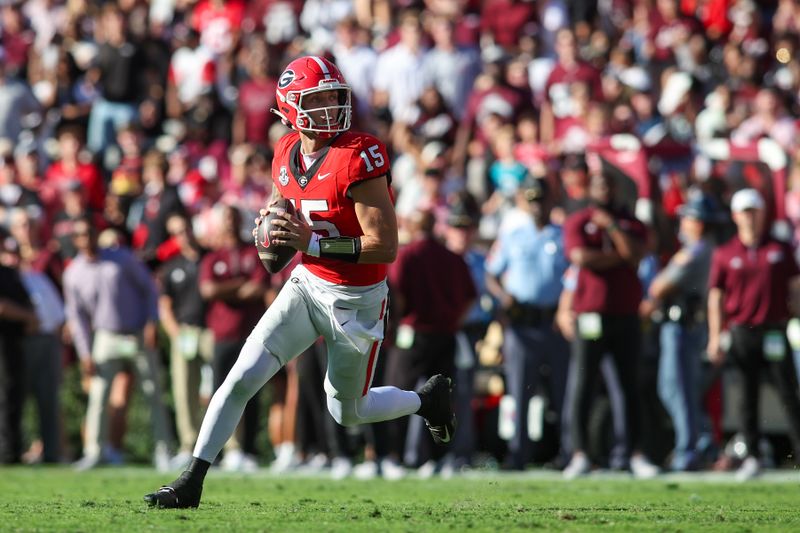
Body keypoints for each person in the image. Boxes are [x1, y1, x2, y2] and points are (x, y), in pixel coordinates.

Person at [145, 56, 456, 508]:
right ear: (289, 107)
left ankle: (425, 402)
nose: (330, 107)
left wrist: (310, 243)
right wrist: (270, 228)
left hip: (357, 299)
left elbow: (385, 247)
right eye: (318, 99)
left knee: (348, 411)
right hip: (307, 286)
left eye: (334, 96)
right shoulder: (286, 150)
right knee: (239, 379)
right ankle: (190, 481)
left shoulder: (360, 154)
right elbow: (282, 211)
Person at [561, 172, 659, 479]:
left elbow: (637, 254)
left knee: (629, 386)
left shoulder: (630, 223)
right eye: (599, 184)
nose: (604, 189)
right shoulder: (578, 221)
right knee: (583, 385)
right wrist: (619, 256)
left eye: (608, 185)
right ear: (590, 188)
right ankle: (579, 452)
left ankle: (634, 452)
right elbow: (581, 257)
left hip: (625, 315)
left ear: (616, 189)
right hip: (590, 315)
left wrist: (613, 229)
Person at [64, 215, 173, 471]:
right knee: (99, 397)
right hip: (105, 336)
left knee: (153, 394)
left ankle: (163, 451)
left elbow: (148, 288)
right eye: (80, 234)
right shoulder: (73, 273)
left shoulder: (122, 258)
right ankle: (95, 451)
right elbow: (76, 318)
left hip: (136, 332)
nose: (86, 238)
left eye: (90, 232)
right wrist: (85, 354)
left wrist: (151, 323)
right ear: (75, 240)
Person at [707, 188, 800, 481]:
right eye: (744, 212)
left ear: (761, 214)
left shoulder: (779, 249)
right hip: (741, 331)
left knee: (788, 393)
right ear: (735, 216)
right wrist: (714, 336)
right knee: (746, 396)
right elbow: (716, 297)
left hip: (774, 330)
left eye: (753, 211)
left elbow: (795, 288)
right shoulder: (725, 253)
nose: (749, 217)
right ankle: (753, 457)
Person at [485, 177, 569, 470]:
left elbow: (576, 274)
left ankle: (568, 452)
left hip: (555, 321)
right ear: (524, 201)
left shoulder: (563, 235)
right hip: (522, 323)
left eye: (541, 200)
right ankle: (517, 453)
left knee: (563, 391)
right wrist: (504, 298)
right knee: (519, 390)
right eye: (531, 200)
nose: (536, 207)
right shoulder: (514, 235)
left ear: (550, 201)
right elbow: (491, 274)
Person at [648, 190, 717, 471]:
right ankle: (699, 441)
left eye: (688, 217)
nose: (683, 223)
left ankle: (690, 447)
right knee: (675, 388)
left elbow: (659, 287)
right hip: (684, 324)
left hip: (682, 325)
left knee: (678, 388)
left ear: (698, 221)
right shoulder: (703, 249)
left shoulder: (696, 252)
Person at [158, 212, 213, 470]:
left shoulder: (210, 258)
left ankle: (231, 447)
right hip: (185, 333)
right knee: (183, 392)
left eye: (186, 229)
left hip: (211, 331)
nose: (184, 235)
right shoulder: (172, 267)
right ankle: (188, 446)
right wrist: (175, 334)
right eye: (177, 232)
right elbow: (165, 306)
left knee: (226, 388)